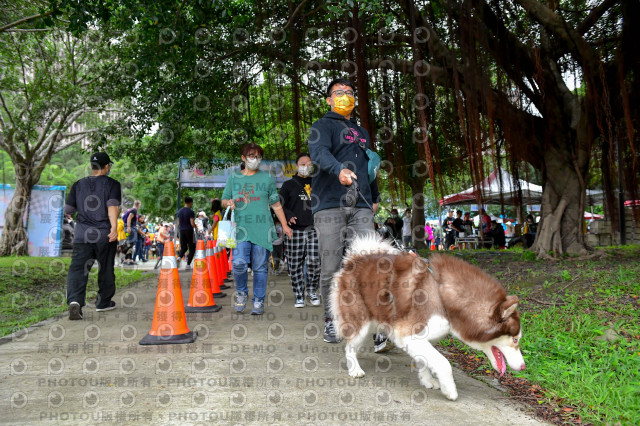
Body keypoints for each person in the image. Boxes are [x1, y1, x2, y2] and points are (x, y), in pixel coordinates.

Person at [308, 77, 383, 347]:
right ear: (328, 99)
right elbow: (318, 153)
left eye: (349, 92)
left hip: (361, 205)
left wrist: (374, 197)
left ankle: (376, 325)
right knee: (331, 267)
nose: (344, 96)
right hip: (329, 204)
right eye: (338, 92)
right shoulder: (322, 126)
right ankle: (332, 320)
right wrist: (338, 169)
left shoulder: (361, 131)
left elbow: (368, 167)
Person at [222, 143, 292, 315]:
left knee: (260, 267)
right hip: (239, 229)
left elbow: (275, 204)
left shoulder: (267, 178)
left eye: (258, 156)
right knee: (238, 264)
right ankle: (241, 293)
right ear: (243, 158)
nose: (256, 159)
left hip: (262, 229)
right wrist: (228, 202)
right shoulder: (234, 178)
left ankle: (259, 300)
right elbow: (224, 199)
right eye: (252, 156)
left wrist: (284, 225)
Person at [65, 152, 121, 320]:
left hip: (83, 235)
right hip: (104, 234)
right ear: (107, 167)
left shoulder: (78, 184)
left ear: (91, 166)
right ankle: (103, 302)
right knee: (105, 268)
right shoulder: (113, 184)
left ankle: (75, 301)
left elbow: (68, 211)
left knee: (78, 269)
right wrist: (113, 227)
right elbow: (112, 206)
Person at [279, 152, 321, 308]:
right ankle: (299, 295)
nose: (306, 167)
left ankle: (312, 290)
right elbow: (279, 205)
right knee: (295, 264)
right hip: (294, 230)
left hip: (314, 229)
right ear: (296, 166)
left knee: (314, 262)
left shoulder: (317, 183)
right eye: (303, 164)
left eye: (309, 164)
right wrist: (288, 215)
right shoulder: (288, 185)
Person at [176, 197, 197, 269]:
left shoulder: (179, 211)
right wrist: (196, 226)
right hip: (189, 231)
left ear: (184, 202)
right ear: (190, 202)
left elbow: (178, 223)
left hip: (182, 231)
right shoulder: (190, 211)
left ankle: (179, 257)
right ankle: (188, 264)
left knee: (184, 247)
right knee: (192, 248)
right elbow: (192, 223)